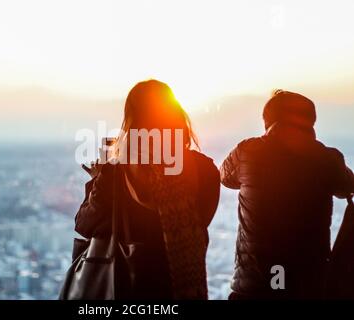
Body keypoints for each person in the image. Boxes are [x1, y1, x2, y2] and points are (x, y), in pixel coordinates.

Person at [75, 80, 220, 299]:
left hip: (129, 287)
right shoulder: (205, 169)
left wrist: (97, 180)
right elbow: (200, 222)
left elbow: (85, 224)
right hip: (183, 286)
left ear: (132, 121)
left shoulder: (115, 173)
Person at [220, 90, 354, 299]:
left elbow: (225, 178)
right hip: (308, 287)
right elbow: (348, 186)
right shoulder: (328, 160)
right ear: (310, 121)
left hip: (254, 285)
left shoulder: (247, 151)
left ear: (269, 120)